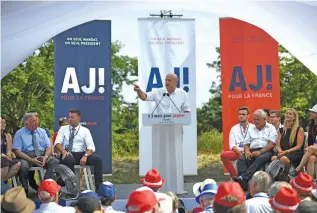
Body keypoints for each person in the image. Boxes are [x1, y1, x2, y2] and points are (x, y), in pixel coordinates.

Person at [55, 109, 103, 191]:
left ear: (79, 118)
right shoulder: (63, 129)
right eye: (69, 117)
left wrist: (85, 155)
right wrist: (63, 151)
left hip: (81, 154)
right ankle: (71, 188)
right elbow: (57, 143)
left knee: (97, 159)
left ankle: (99, 188)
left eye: (72, 117)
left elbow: (91, 147)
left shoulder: (85, 130)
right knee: (69, 159)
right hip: (67, 153)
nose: (70, 119)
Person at [12, 112, 59, 194]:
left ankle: (45, 186)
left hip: (42, 154)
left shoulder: (42, 131)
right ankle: (25, 189)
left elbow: (48, 146)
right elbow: (17, 151)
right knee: (23, 165)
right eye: (33, 121)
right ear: (26, 122)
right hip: (26, 156)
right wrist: (31, 160)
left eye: (37, 120)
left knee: (54, 161)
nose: (36, 123)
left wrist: (46, 156)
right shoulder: (19, 133)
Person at [234, 109, 277, 190]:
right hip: (252, 150)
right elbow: (246, 143)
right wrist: (247, 151)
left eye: (258, 119)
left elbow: (271, 144)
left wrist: (260, 152)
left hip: (266, 150)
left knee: (261, 158)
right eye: (254, 119)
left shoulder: (271, 128)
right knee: (242, 159)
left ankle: (244, 177)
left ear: (264, 119)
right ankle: (244, 185)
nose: (256, 121)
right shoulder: (251, 128)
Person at [220, 106, 255, 178]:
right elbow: (232, 145)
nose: (241, 116)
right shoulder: (234, 128)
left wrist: (247, 151)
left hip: (250, 151)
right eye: (239, 114)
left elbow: (256, 142)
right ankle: (235, 176)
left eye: (243, 114)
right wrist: (239, 153)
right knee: (224, 155)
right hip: (237, 152)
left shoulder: (253, 127)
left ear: (248, 115)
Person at [289, 104, 317, 178]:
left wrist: (309, 148)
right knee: (311, 158)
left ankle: (298, 168)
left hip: (313, 148)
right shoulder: (310, 126)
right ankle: (309, 182)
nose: (310, 113)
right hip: (313, 150)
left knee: (310, 149)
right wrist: (308, 149)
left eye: (313, 112)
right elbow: (310, 142)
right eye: (311, 111)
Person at [1, 117, 21, 183]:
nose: (3, 124)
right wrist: (4, 156)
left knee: (18, 163)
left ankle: (2, 182)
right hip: (2, 157)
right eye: (1, 122)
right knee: (6, 162)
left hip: (5, 158)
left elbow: (9, 149)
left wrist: (8, 155)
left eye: (4, 122)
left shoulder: (7, 135)